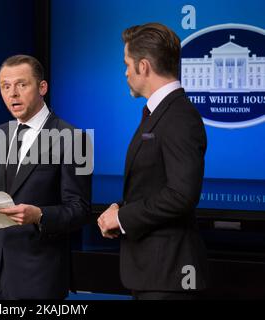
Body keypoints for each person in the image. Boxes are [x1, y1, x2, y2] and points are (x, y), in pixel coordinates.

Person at [0, 54, 92, 300]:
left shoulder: (75, 138)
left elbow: (80, 210)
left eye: (21, 85)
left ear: (42, 87)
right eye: (5, 87)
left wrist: (40, 215)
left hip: (40, 278)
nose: (12, 94)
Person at [97, 23, 209, 300]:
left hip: (170, 276)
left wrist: (123, 217)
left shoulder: (179, 115)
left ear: (143, 66)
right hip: (153, 273)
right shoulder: (159, 112)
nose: (125, 72)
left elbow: (181, 195)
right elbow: (154, 186)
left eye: (127, 63)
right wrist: (118, 210)